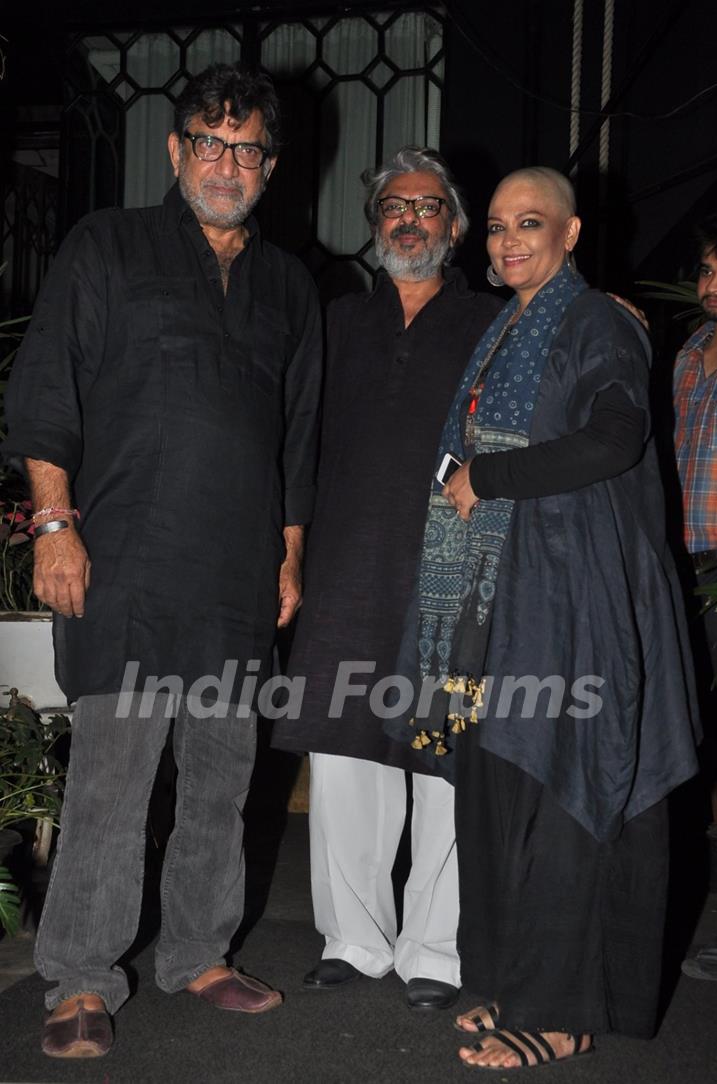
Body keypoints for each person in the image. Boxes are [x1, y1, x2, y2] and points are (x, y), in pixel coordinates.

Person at [3, 63, 322, 1057]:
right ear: (177, 150)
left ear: (270, 165)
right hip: (130, 565)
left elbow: (298, 434)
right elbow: (46, 380)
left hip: (234, 576)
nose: (229, 162)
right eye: (211, 142)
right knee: (114, 779)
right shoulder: (110, 246)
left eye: (248, 147)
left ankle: (198, 952)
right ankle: (82, 977)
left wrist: (289, 559)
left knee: (223, 783)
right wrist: (55, 524)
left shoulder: (289, 286)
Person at [393, 167, 700, 1068]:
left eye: (531, 223)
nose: (508, 240)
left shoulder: (596, 320)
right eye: (494, 226)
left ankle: (562, 1012)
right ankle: (512, 981)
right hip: (502, 592)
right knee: (501, 787)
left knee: (570, 791)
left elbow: (615, 436)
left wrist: (489, 477)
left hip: (575, 596)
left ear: (570, 235)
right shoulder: (510, 324)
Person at [271, 148, 501, 1009]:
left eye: (429, 207)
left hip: (452, 570)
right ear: (375, 228)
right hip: (345, 566)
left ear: (455, 228)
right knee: (341, 754)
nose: (411, 220)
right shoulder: (336, 324)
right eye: (395, 207)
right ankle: (355, 939)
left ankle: (435, 949)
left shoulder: (491, 322)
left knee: (439, 759)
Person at [673, 213, 717, 982]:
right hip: (686, 564)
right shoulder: (689, 353)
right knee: (697, 745)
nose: (711, 286)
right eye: (708, 269)